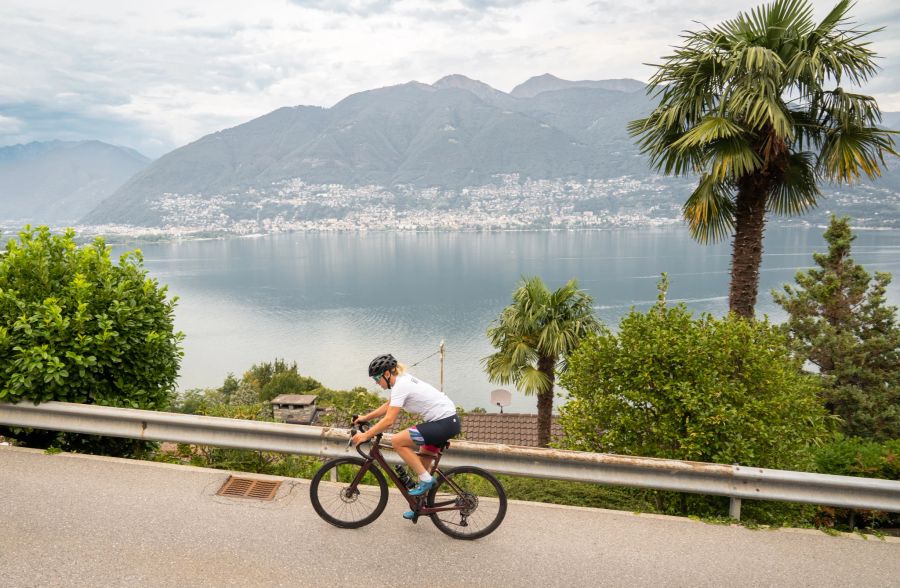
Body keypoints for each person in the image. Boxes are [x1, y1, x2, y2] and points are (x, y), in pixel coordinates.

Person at [351, 353, 461, 519]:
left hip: (443, 423)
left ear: (387, 374)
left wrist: (366, 435)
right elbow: (388, 405)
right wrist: (365, 418)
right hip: (445, 421)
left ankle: (427, 480)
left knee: (397, 441)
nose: (377, 383)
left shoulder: (401, 385)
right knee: (421, 466)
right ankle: (419, 506)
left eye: (377, 379)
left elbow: (389, 420)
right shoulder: (401, 381)